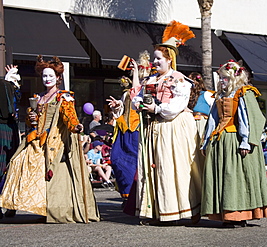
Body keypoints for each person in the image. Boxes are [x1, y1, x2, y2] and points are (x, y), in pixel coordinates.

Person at [0, 55, 100, 223]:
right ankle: (15, 204)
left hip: (55, 140)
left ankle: (51, 208)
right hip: (37, 138)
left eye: (50, 76)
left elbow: (70, 117)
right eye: (44, 76)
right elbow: (31, 119)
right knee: (18, 162)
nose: (47, 79)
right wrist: (31, 118)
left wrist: (76, 126)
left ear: (58, 78)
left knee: (51, 174)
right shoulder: (38, 97)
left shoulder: (64, 96)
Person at [130, 21, 201, 225]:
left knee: (172, 167)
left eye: (158, 58)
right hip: (154, 128)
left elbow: (177, 106)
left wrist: (157, 109)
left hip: (172, 128)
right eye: (154, 58)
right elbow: (137, 100)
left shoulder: (179, 80)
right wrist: (141, 105)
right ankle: (158, 211)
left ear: (169, 60)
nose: (155, 62)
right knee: (156, 168)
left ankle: (178, 210)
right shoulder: (151, 80)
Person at [201, 60, 267, 227]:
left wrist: (245, 141)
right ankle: (226, 214)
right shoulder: (220, 96)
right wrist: (206, 141)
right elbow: (212, 119)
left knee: (236, 178)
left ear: (232, 78)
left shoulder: (242, 93)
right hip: (220, 141)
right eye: (221, 78)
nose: (221, 81)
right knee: (224, 178)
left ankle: (240, 214)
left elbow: (246, 119)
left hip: (235, 140)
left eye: (224, 78)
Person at [107, 51, 149, 206]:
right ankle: (127, 194)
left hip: (138, 132)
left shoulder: (147, 91)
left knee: (136, 164)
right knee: (117, 161)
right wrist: (117, 107)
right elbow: (120, 111)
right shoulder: (126, 95)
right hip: (123, 133)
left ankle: (135, 197)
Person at [0, 65, 22, 219]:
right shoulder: (6, 85)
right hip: (7, 127)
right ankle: (10, 204)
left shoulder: (6, 85)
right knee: (8, 167)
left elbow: (10, 108)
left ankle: (10, 204)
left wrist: (9, 80)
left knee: (8, 167)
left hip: (7, 127)